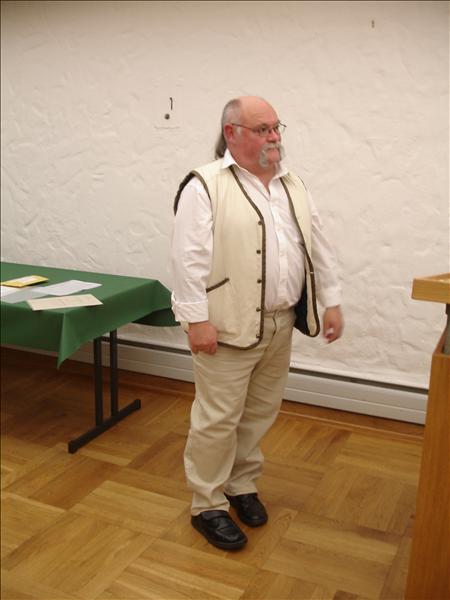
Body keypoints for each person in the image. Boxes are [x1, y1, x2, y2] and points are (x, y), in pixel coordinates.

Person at [170, 96, 343, 551]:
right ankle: (207, 504)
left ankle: (240, 484)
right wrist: (196, 320)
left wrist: (332, 301)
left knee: (260, 411)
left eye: (276, 127)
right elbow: (187, 260)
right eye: (262, 129)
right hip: (225, 326)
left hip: (280, 324)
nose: (273, 137)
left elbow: (317, 244)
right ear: (232, 133)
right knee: (217, 419)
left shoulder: (293, 184)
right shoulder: (205, 185)